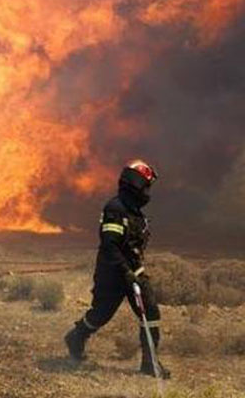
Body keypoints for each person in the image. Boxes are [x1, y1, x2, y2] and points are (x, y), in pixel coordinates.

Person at [64, 159, 170, 378]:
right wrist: (125, 272)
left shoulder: (135, 213)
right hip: (112, 274)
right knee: (100, 315)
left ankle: (150, 363)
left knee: (150, 312)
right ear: (136, 184)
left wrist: (135, 273)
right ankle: (76, 336)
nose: (148, 192)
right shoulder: (116, 209)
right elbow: (109, 244)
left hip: (134, 273)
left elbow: (133, 247)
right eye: (146, 186)